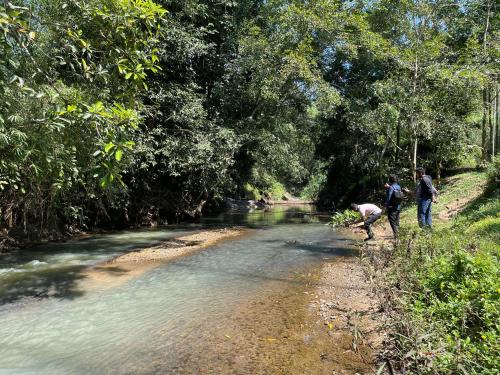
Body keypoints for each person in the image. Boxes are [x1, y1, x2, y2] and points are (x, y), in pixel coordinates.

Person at [384, 174, 402, 239]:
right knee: (397, 221)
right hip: (398, 206)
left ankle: (396, 235)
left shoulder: (391, 187)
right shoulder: (398, 186)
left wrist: (385, 206)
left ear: (389, 180)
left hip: (392, 207)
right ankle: (398, 234)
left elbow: (389, 198)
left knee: (392, 221)